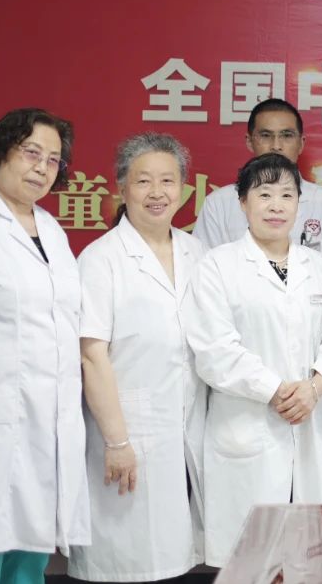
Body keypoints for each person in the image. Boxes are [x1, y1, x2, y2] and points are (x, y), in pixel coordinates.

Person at [0, 108, 89, 584]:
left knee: (28, 562)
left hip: (46, 429)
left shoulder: (53, 232)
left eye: (53, 159)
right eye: (31, 152)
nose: (42, 167)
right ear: (1, 151)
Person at [186, 153, 322, 567]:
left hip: (310, 423)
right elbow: (214, 349)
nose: (276, 205)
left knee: (307, 560)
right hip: (247, 427)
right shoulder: (217, 266)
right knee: (249, 563)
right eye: (264, 194)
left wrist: (315, 386)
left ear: (299, 203)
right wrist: (276, 391)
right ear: (242, 202)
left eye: (287, 195)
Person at [69, 133, 210, 582]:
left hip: (186, 427)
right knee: (126, 561)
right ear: (122, 188)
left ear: (183, 189)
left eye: (168, 181)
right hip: (127, 429)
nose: (156, 192)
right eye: (143, 181)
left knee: (178, 558)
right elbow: (91, 355)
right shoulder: (101, 259)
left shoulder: (197, 253)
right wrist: (116, 442)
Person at [194, 98, 322, 259]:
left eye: (287, 135)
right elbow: (206, 266)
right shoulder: (218, 203)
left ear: (301, 143)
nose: (276, 146)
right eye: (265, 135)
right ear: (249, 142)